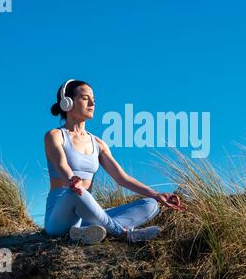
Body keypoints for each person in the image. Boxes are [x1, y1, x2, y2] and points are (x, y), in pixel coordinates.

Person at [44, 79, 186, 245]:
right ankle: (124, 234)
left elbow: (122, 178)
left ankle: (87, 233)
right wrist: (71, 179)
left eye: (94, 100)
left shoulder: (98, 143)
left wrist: (156, 195)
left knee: (150, 204)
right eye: (84, 98)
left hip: (87, 217)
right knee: (77, 192)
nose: (92, 103)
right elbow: (61, 164)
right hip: (60, 216)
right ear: (67, 103)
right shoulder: (54, 135)